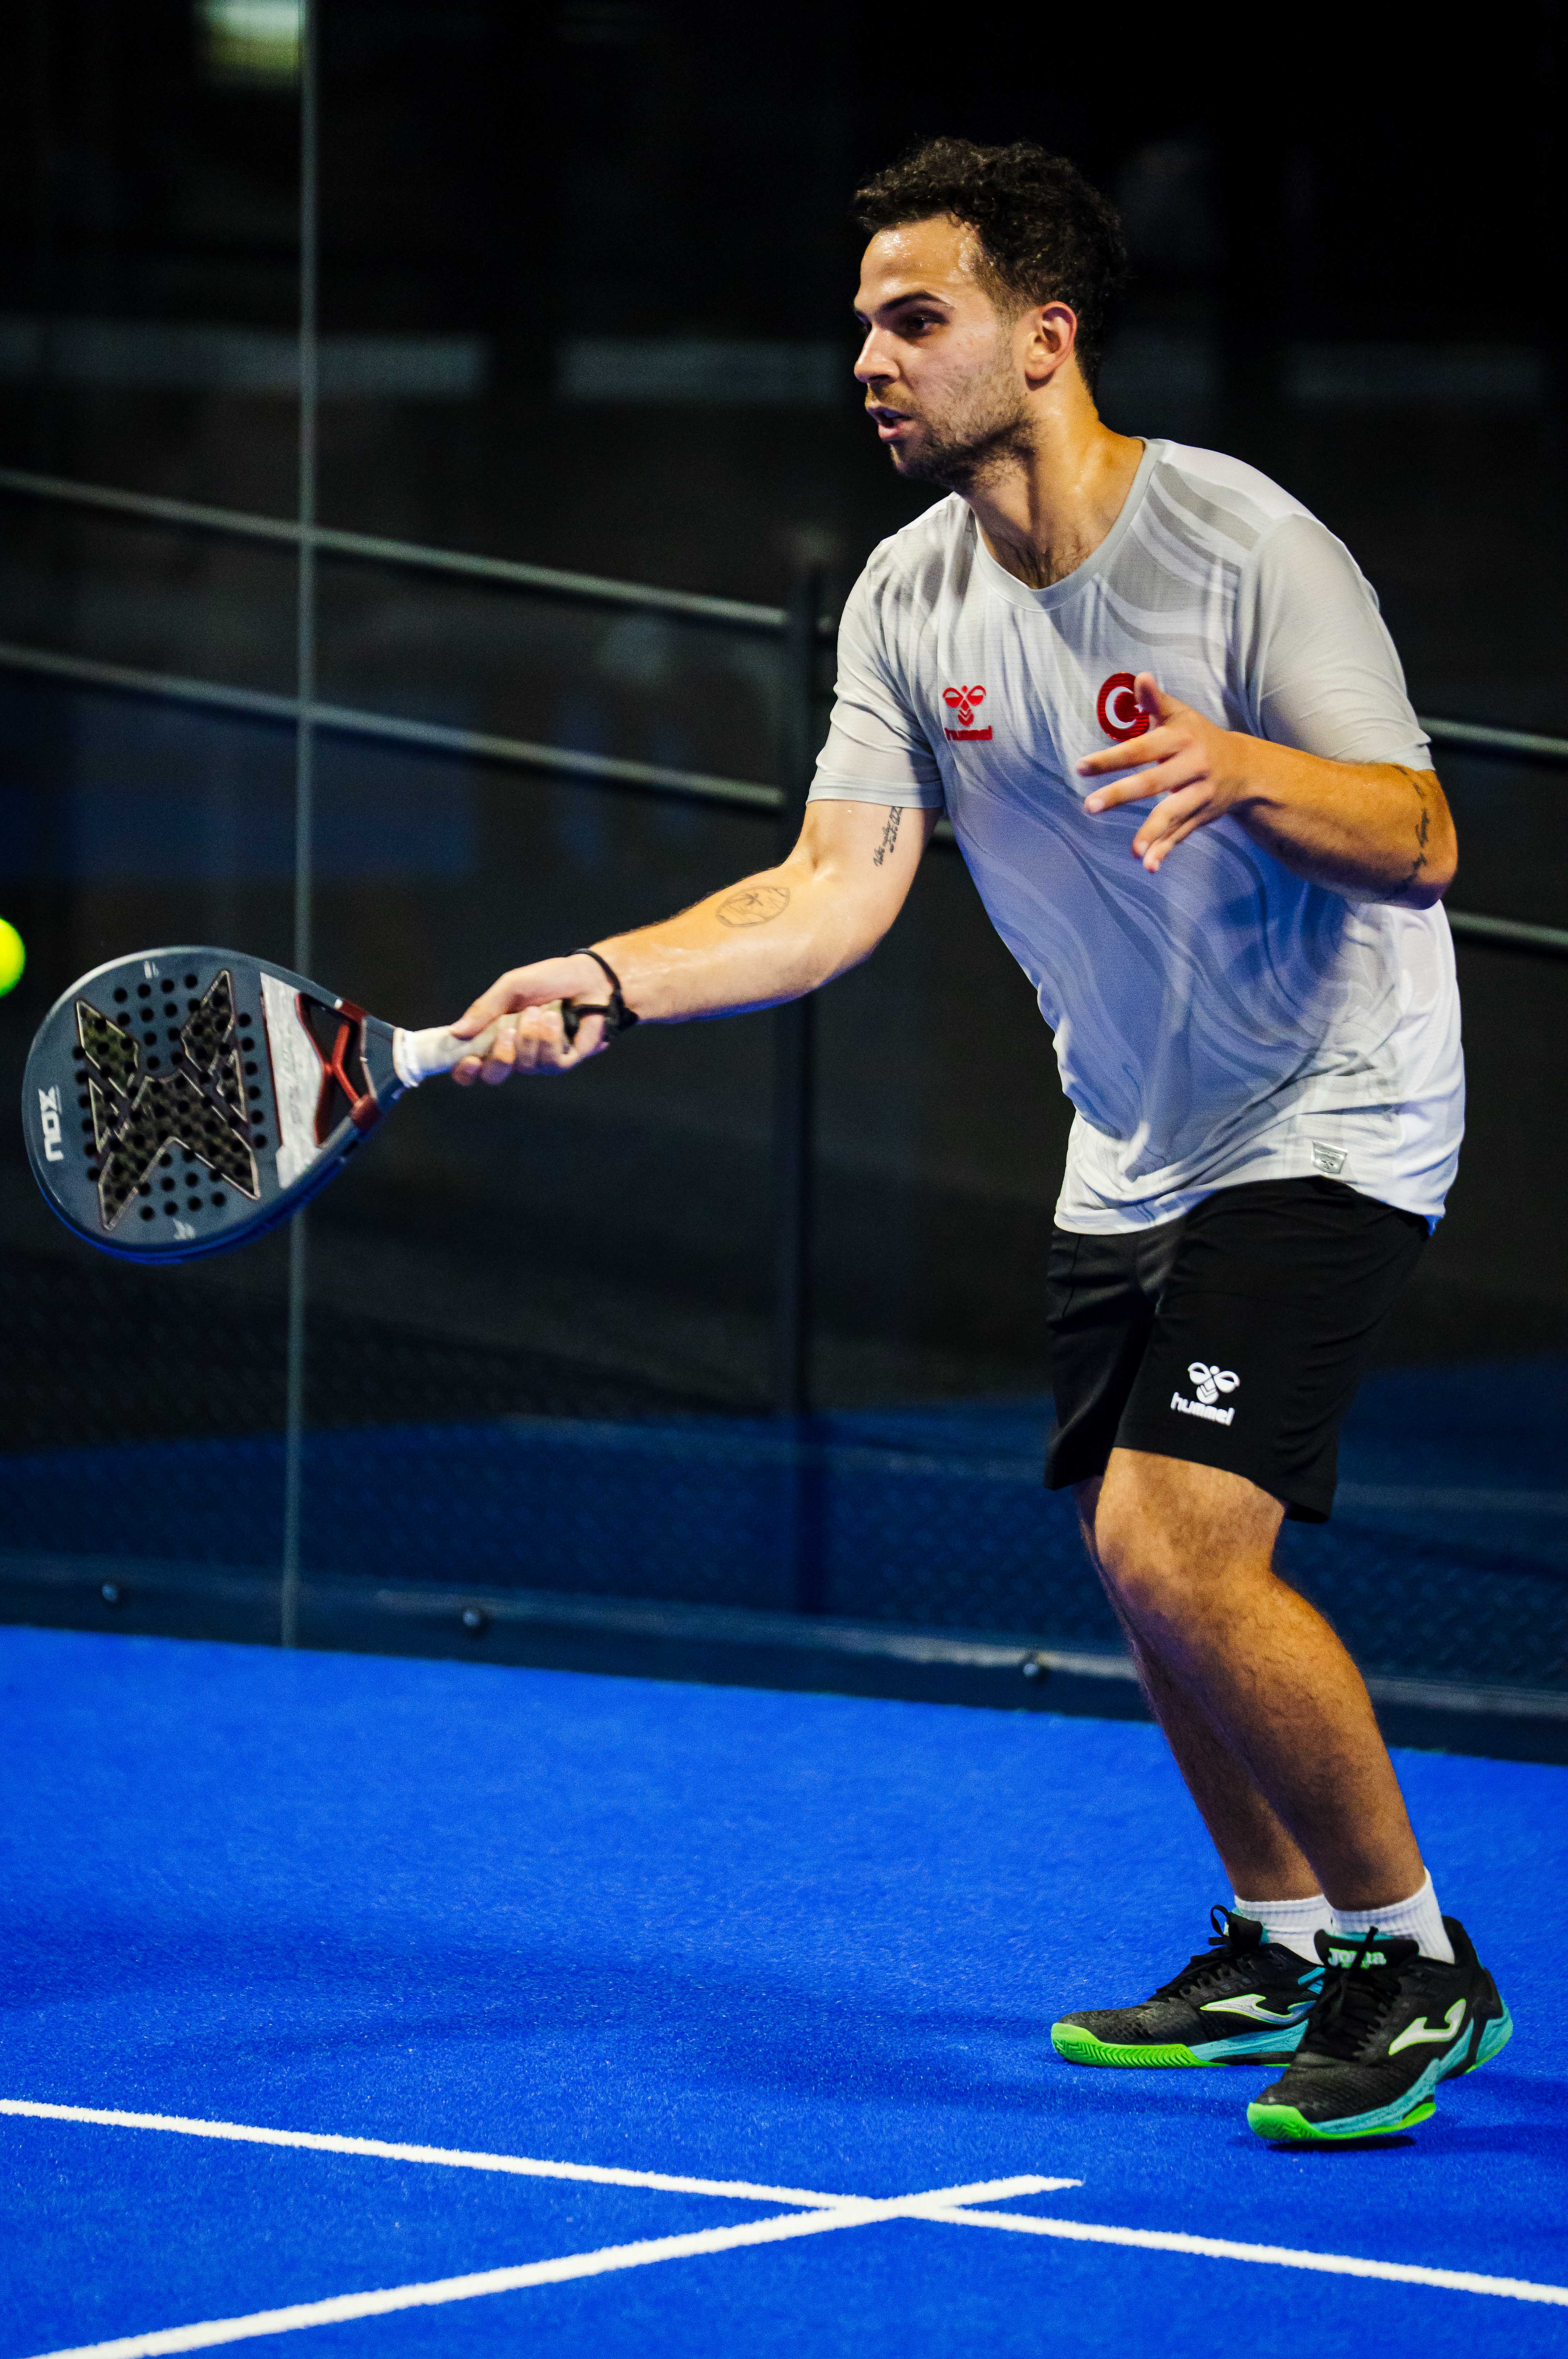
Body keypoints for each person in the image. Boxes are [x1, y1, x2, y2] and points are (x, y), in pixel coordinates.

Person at [448, 138, 1511, 2146]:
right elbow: (829, 892)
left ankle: (1416, 1956)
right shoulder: (904, 597)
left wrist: (1245, 766)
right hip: (1132, 1132)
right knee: (1137, 1561)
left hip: (1336, 1097)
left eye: (913, 318)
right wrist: (604, 979)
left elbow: (1425, 836)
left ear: (1045, 337)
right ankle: (1279, 1935)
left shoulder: (1244, 543)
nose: (869, 357)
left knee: (1176, 1538)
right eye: (862, 322)